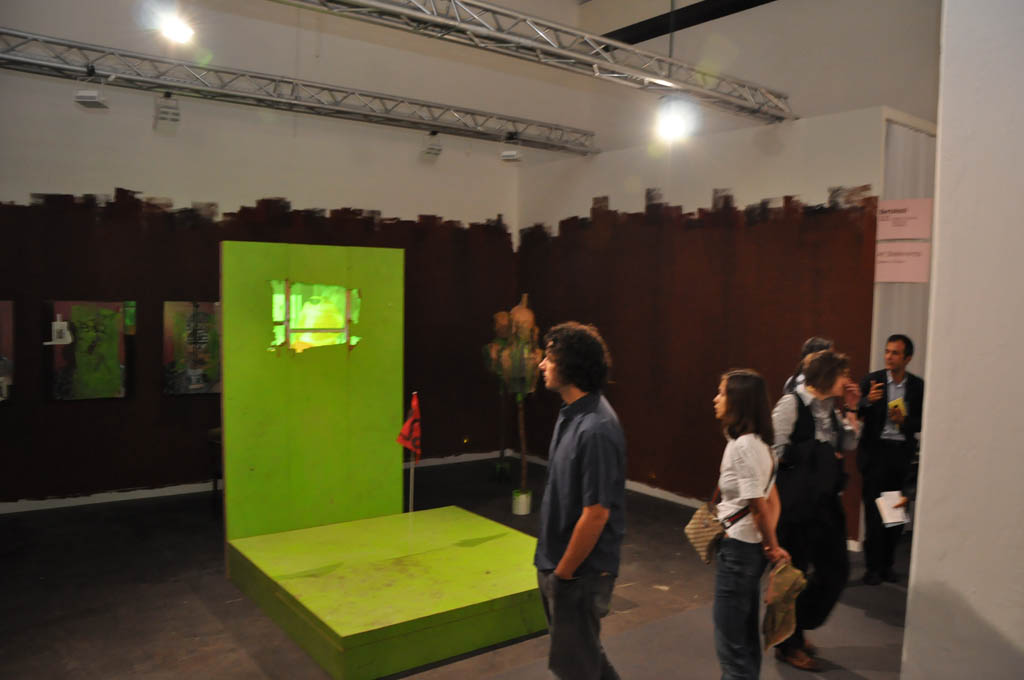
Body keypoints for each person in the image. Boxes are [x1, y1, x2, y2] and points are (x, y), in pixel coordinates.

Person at [534, 322, 626, 680]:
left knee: (575, 667)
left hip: (578, 573)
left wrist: (564, 573)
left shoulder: (595, 429)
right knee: (585, 658)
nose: (541, 364)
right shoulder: (572, 414)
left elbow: (597, 514)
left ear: (571, 365)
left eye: (550, 357)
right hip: (560, 564)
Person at [771, 350, 861, 671]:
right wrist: (815, 453)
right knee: (792, 576)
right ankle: (788, 644)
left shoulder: (830, 408)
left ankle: (796, 625)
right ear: (827, 376)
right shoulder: (791, 404)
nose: (846, 380)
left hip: (825, 504)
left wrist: (851, 409)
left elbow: (849, 444)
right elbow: (773, 453)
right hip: (795, 507)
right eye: (842, 374)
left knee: (836, 571)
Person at [712, 369, 790, 680]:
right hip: (750, 550)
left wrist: (771, 545)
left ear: (739, 401)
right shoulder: (762, 445)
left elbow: (759, 506)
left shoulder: (743, 446)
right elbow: (773, 501)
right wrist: (769, 545)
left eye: (722, 393)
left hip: (738, 551)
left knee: (731, 646)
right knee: (744, 642)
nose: (716, 399)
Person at [858, 334, 924, 585]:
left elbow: (922, 421)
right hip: (876, 455)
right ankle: (872, 568)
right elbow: (855, 410)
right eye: (887, 351)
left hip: (899, 455)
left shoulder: (917, 386)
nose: (889, 357)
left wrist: (904, 421)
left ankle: (887, 565)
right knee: (874, 514)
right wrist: (868, 401)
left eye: (895, 353)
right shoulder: (872, 381)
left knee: (894, 513)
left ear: (907, 358)